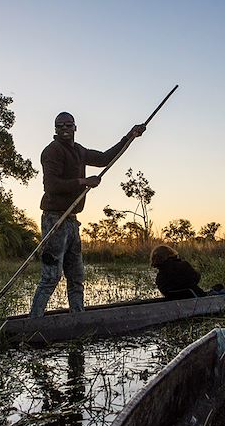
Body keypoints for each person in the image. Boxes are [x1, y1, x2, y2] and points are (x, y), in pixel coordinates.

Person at [29, 112, 145, 318]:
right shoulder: (52, 151)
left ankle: (79, 319)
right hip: (55, 219)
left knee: (76, 275)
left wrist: (129, 137)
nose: (64, 129)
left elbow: (104, 158)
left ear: (75, 127)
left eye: (68, 125)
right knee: (51, 276)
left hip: (72, 221)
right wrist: (83, 182)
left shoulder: (79, 151)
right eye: (60, 126)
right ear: (55, 129)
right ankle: (33, 322)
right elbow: (51, 185)